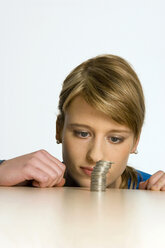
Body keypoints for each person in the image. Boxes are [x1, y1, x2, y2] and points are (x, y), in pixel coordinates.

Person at [0, 54, 165, 190]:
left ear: (135, 141)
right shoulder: (25, 179)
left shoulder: (154, 190)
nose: (95, 156)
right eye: (83, 134)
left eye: (115, 138)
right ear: (59, 129)